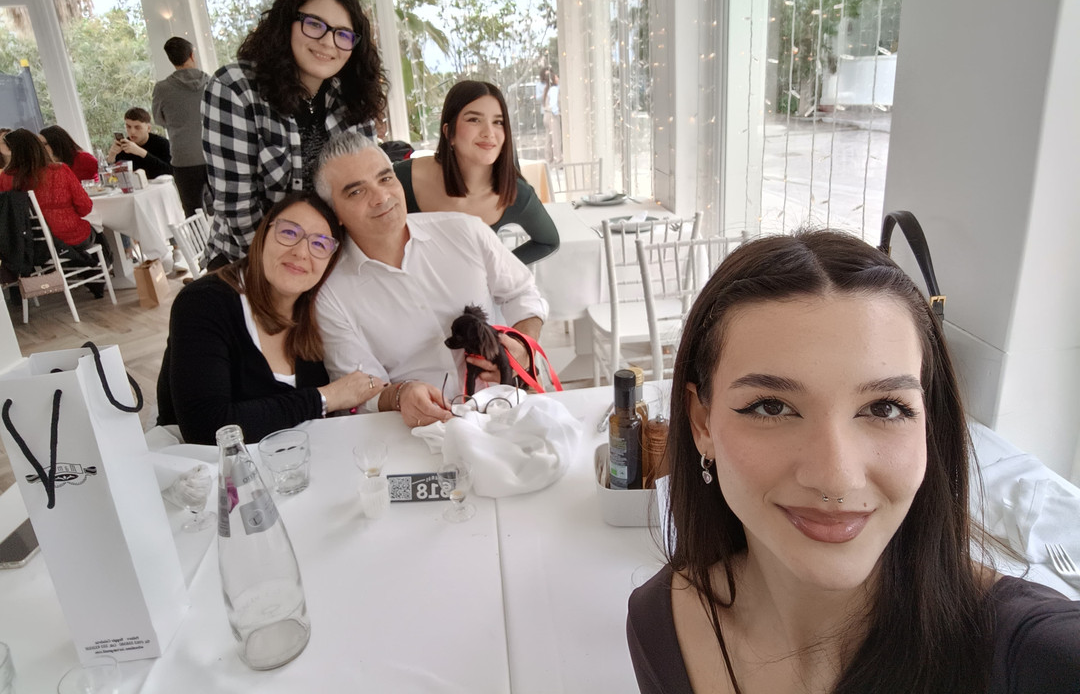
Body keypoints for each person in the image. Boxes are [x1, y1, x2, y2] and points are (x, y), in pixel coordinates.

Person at [626, 230, 1080, 694]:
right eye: (771, 406)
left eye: (884, 408)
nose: (836, 477)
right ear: (702, 422)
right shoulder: (659, 626)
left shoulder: (1037, 653)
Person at [313, 132, 549, 429]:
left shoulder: (465, 231)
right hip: (416, 431)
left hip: (506, 410)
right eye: (356, 192)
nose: (381, 197)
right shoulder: (330, 293)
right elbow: (358, 389)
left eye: (385, 179)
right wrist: (399, 395)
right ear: (335, 214)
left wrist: (523, 345)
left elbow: (522, 292)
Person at [156, 192, 387, 445]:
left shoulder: (317, 312)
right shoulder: (204, 302)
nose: (301, 252)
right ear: (263, 234)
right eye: (289, 233)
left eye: (320, 244)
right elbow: (208, 429)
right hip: (202, 466)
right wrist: (325, 398)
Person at [203, 0, 387, 270]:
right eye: (314, 24)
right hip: (249, 263)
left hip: (324, 261)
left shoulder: (352, 96)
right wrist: (281, 276)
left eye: (343, 34)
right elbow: (237, 208)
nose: (328, 42)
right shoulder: (236, 88)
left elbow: (361, 189)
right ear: (286, 23)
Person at [394, 80, 559, 265]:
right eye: (474, 120)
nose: (489, 132)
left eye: (498, 122)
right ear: (449, 132)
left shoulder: (517, 193)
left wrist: (497, 269)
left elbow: (548, 242)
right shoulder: (401, 179)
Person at [0, 128, 111, 294]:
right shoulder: (59, 170)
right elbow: (85, 207)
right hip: (67, 236)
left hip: (32, 244)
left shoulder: (5, 178)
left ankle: (91, 274)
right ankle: (98, 278)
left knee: (82, 234)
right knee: (97, 232)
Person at [153, 36, 210, 217]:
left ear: (171, 59)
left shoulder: (162, 89)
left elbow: (159, 120)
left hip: (183, 157)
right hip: (213, 154)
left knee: (192, 212)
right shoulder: (211, 83)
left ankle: (200, 237)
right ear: (192, 55)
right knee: (225, 207)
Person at [107, 107, 172, 179]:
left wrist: (141, 152)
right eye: (128, 127)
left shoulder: (162, 143)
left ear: (148, 128)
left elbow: (170, 171)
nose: (132, 132)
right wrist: (112, 155)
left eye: (137, 127)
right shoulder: (123, 146)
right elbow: (112, 177)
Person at [538, 67, 562, 165]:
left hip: (546, 115)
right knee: (556, 138)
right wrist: (558, 113)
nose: (558, 78)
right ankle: (558, 160)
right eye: (556, 77)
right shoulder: (554, 89)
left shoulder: (547, 89)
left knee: (549, 139)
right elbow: (553, 104)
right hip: (552, 115)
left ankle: (549, 159)